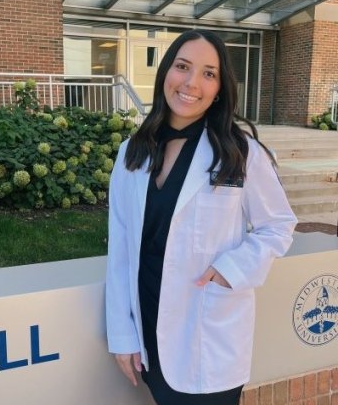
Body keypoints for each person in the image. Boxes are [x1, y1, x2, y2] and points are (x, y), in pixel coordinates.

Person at [105, 29, 297, 405]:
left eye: (209, 73)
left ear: (220, 87)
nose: (192, 83)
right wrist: (122, 335)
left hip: (207, 336)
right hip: (148, 331)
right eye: (182, 67)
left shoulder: (240, 152)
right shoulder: (132, 152)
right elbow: (120, 247)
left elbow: (279, 224)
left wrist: (234, 268)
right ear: (165, 73)